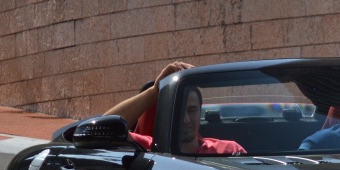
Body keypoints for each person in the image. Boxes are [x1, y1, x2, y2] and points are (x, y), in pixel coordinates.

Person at [103, 61, 245, 155]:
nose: (186, 120)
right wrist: (155, 91)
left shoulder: (230, 150)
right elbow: (104, 128)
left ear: (200, 111)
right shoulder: (148, 149)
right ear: (167, 114)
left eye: (192, 110)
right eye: (179, 112)